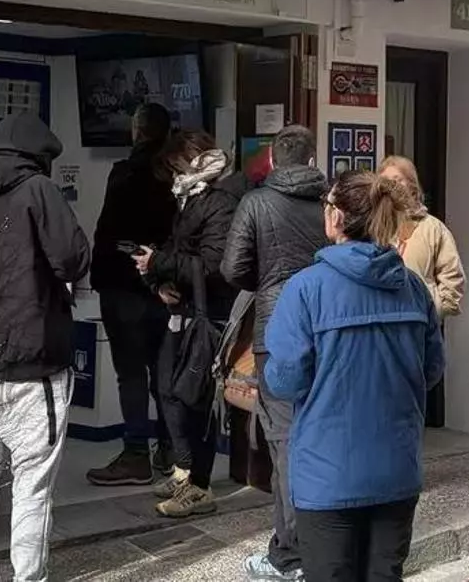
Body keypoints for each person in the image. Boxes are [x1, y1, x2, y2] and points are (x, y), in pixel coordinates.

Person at [265, 170, 445, 582]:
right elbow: (432, 369)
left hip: (326, 474)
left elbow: (285, 380)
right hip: (396, 467)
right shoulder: (412, 288)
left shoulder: (305, 289)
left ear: (337, 217)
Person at [0, 112, 91, 582]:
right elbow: (73, 259)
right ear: (38, 155)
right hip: (35, 366)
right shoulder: (37, 190)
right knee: (32, 484)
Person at [221, 125, 328, 582]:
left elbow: (233, 268)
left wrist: (267, 284)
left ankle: (290, 553)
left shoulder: (256, 202)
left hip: (275, 329)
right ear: (311, 160)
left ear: (272, 161)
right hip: (325, 328)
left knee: (284, 441)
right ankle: (320, 542)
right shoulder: (330, 201)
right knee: (320, 434)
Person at [132, 128, 250, 518]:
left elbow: (214, 264)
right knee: (169, 389)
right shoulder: (192, 196)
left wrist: (160, 263)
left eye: (176, 166)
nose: (173, 175)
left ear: (195, 158)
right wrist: (157, 277)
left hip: (209, 314)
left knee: (194, 398)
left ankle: (198, 485)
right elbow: (180, 251)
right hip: (186, 307)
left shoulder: (221, 200)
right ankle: (185, 471)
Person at [87, 103, 178, 486]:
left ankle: (136, 453)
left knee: (130, 374)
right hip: (165, 287)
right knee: (164, 373)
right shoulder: (175, 177)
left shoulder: (124, 174)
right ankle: (171, 450)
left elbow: (109, 232)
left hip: (123, 286)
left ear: (137, 131)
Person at [379, 155, 466, 320]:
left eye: (397, 180)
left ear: (412, 186)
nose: (391, 187)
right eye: (385, 182)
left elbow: (452, 276)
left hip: (421, 323)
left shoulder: (433, 228)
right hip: (382, 322)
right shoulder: (372, 228)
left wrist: (435, 310)